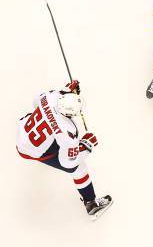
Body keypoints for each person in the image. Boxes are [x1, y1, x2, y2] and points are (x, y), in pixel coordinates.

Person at [16, 81, 112, 221]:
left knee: (42, 120)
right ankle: (91, 204)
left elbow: (36, 102)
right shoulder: (67, 131)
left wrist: (65, 91)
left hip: (23, 131)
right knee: (79, 168)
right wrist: (85, 147)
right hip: (29, 150)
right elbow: (67, 163)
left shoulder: (51, 97)